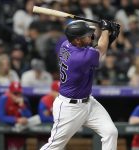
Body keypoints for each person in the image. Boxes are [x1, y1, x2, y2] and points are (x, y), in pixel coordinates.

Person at [40, 19, 120, 150]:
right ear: (77, 40)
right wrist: (105, 31)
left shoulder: (66, 44)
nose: (90, 36)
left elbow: (93, 47)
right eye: (87, 35)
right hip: (69, 109)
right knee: (54, 146)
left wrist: (104, 34)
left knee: (110, 132)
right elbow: (100, 49)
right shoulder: (79, 58)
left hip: (89, 103)